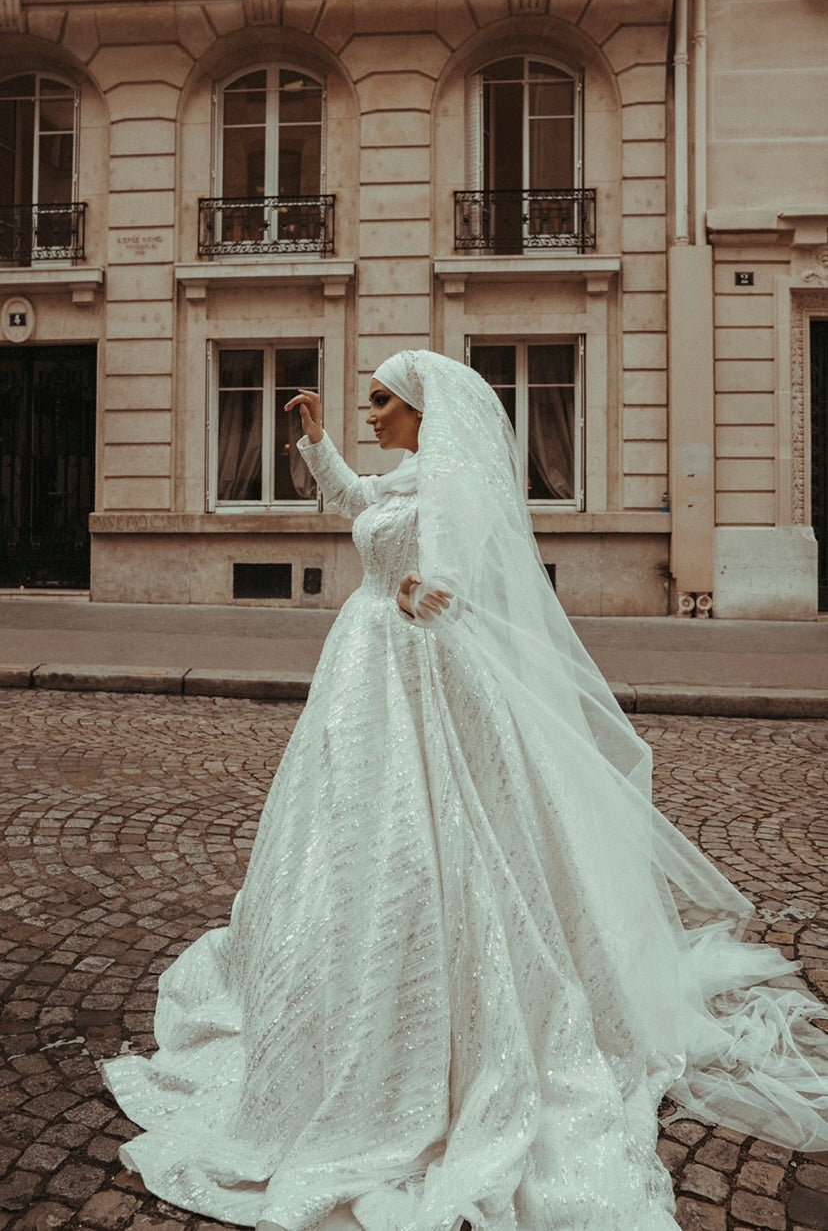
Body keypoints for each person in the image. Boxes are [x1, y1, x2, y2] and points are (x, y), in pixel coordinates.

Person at [104, 351, 828, 1231]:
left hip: (417, 668)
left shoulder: (450, 481)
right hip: (367, 667)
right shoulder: (405, 477)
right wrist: (318, 444)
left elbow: (461, 577)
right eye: (366, 404)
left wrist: (420, 593)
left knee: (450, 835)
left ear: (419, 409)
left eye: (379, 403)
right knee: (348, 826)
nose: (369, 414)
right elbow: (358, 506)